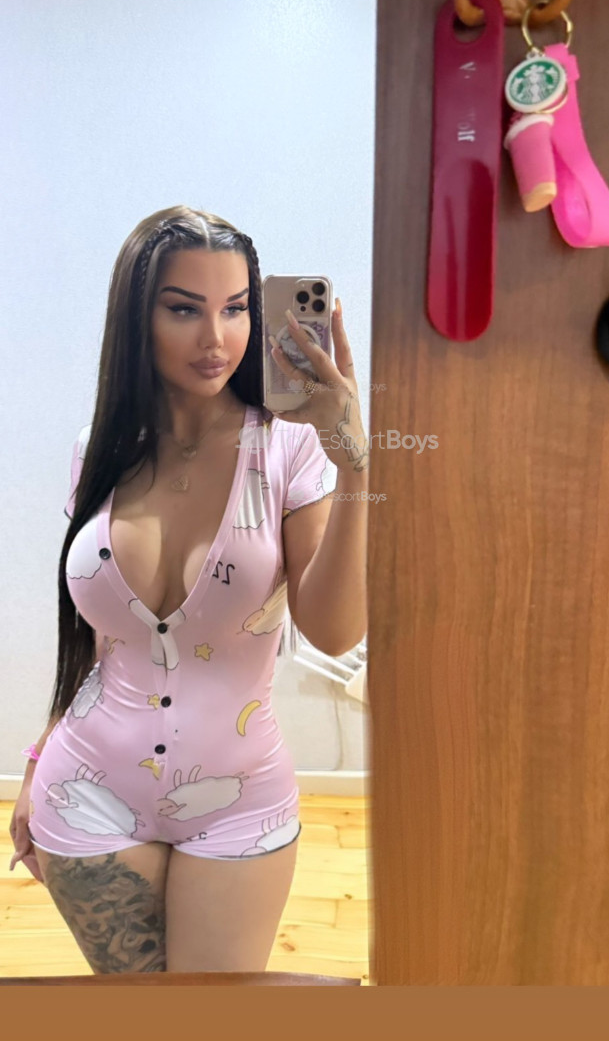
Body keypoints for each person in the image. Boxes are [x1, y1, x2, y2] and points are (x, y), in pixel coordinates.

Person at [8, 206, 369, 974]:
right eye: (183, 309)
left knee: (211, 1020)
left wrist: (355, 466)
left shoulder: (289, 450)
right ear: (135, 319)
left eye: (235, 308)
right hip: (86, 792)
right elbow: (95, 642)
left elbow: (335, 631)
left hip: (238, 802)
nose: (216, 338)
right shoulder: (97, 450)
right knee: (138, 1019)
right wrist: (38, 759)